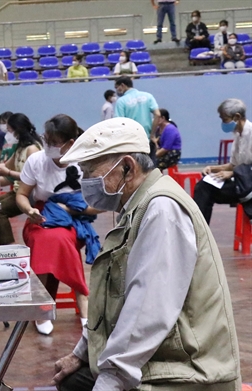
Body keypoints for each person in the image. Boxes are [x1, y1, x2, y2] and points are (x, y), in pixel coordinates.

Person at [53, 117, 240, 391]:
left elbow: (148, 309)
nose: (86, 181)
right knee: (72, 380)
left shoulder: (161, 210)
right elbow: (113, 302)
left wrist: (111, 378)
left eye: (90, 170)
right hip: (163, 357)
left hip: (189, 372)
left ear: (127, 166)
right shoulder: (136, 204)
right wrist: (82, 353)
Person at [16, 114, 96, 335]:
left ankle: (49, 303)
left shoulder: (85, 163)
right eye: (46, 140)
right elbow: (22, 195)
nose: (48, 146)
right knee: (45, 239)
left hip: (74, 219)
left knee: (60, 239)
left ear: (71, 144)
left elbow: (97, 206)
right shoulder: (36, 161)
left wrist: (69, 209)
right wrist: (28, 210)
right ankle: (59, 303)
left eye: (54, 142)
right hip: (41, 217)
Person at [0, 113, 42, 245]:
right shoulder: (20, 148)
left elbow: (33, 178)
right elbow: (5, 166)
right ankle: (1, 242)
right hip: (18, 190)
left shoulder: (32, 149)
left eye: (10, 131)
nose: (8, 134)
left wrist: (9, 172)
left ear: (18, 130)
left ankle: (8, 246)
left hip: (29, 193)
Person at [194, 98, 252, 224]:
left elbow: (240, 169)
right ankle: (200, 229)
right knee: (204, 186)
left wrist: (232, 173)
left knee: (204, 190)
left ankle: (199, 232)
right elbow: (233, 165)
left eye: (224, 119)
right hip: (240, 180)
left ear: (236, 117)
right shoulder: (238, 134)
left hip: (249, 185)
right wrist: (214, 168)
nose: (223, 123)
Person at [114, 76, 161, 160]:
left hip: (131, 142)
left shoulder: (121, 101)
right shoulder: (148, 96)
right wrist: (152, 135)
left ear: (122, 85)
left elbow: (119, 123)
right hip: (147, 139)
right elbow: (157, 114)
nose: (116, 91)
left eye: (117, 88)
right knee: (151, 168)